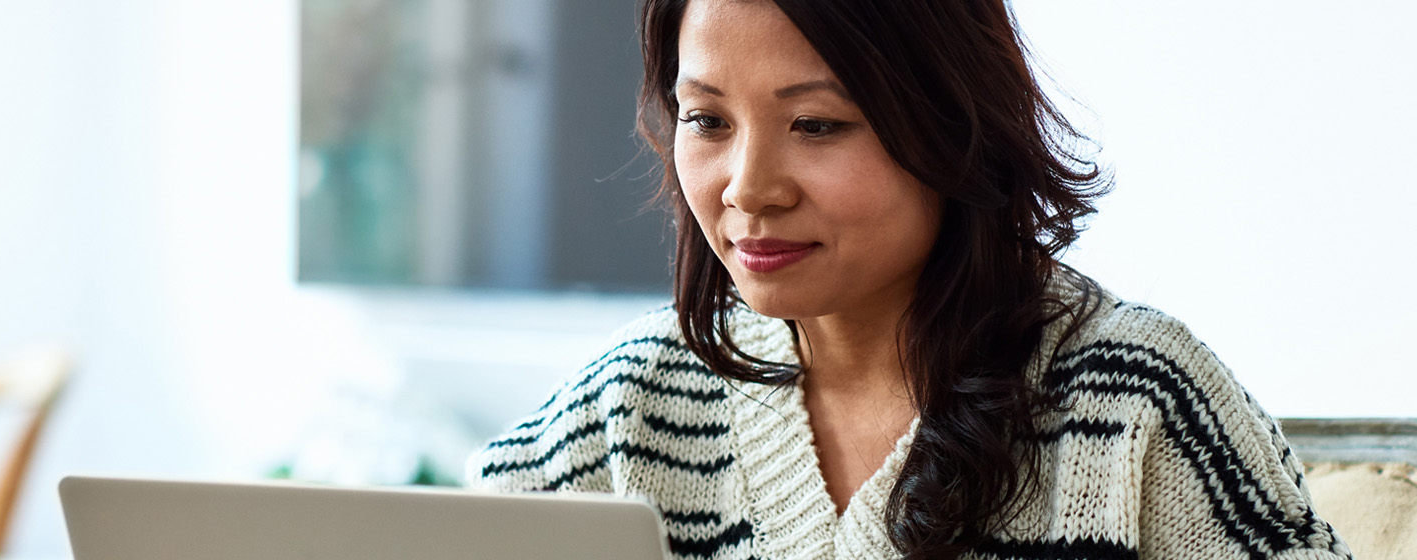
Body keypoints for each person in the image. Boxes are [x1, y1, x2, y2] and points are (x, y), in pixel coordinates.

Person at [464, 1, 1351, 559]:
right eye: (706, 118)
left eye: (815, 124)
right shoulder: (637, 397)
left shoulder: (1138, 401)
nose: (746, 186)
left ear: (950, 124)